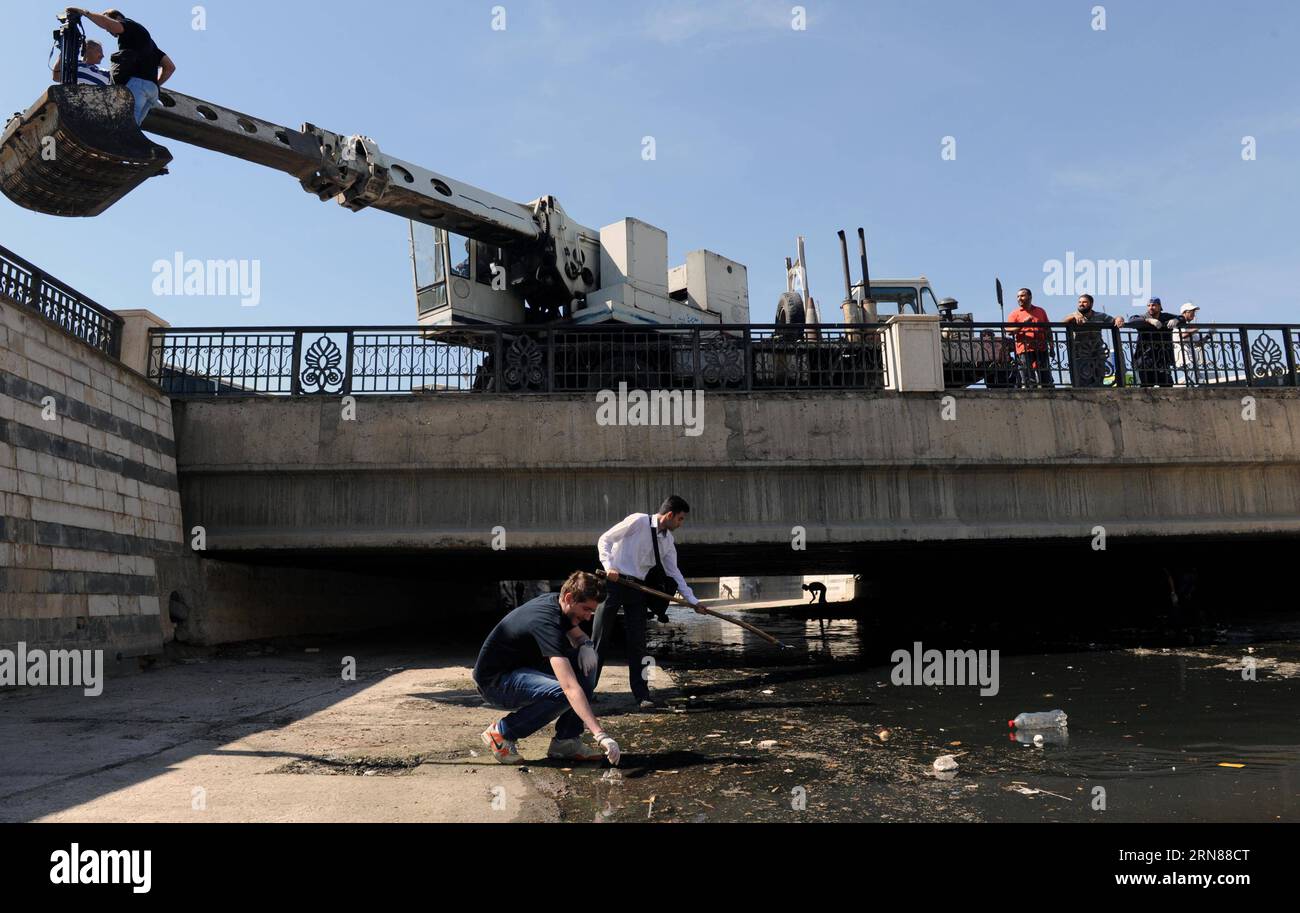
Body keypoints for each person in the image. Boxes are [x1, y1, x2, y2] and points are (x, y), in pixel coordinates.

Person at [473, 571, 621, 766]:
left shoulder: (557, 603)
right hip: (495, 682)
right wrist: (600, 735)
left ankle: (566, 742)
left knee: (586, 664)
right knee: (564, 692)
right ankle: (501, 732)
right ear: (569, 598)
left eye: (592, 611)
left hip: (522, 670)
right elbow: (569, 687)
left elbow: (578, 635)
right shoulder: (546, 621)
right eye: (586, 609)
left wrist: (586, 645)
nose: (588, 617)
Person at [595, 496, 706, 709]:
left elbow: (675, 573)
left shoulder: (667, 541)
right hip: (614, 583)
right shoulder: (638, 521)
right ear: (670, 515)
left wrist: (693, 601)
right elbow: (605, 539)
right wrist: (609, 566)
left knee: (638, 644)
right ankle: (586, 689)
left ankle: (642, 694)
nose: (681, 524)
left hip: (637, 589)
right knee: (599, 639)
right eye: (680, 519)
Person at [72, 9, 175, 125]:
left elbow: (107, 23)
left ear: (117, 18)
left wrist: (83, 12)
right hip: (152, 93)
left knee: (125, 126)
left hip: (137, 86)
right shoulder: (149, 44)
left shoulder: (128, 25)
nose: (108, 31)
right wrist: (154, 85)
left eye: (108, 28)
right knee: (134, 130)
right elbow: (170, 67)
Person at [1062, 294, 1125, 387]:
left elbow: (1113, 320)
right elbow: (1062, 322)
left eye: (1084, 302)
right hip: (1081, 354)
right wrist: (1073, 316)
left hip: (1098, 353)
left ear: (1091, 304)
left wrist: (1120, 318)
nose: (1081, 304)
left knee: (1099, 379)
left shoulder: (1100, 316)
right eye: (1079, 302)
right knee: (1084, 382)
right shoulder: (1074, 316)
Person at [1123, 297, 1182, 387]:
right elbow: (1132, 320)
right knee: (1146, 388)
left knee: (1167, 386)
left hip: (1162, 359)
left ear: (1159, 307)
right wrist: (1148, 320)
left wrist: (1177, 320)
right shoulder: (1144, 316)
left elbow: (1182, 317)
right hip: (1145, 359)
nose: (1151, 307)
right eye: (1149, 305)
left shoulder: (1165, 317)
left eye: (1153, 305)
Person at [1006, 288, 1054, 388]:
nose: (1019, 298)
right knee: (1028, 377)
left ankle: (1049, 395)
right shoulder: (1014, 313)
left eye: (1022, 296)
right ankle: (1030, 392)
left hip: (1041, 348)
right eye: (1018, 296)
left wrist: (1052, 346)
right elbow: (1009, 331)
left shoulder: (1040, 311)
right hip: (1024, 349)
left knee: (1045, 377)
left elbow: (1048, 329)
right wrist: (1023, 324)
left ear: (1030, 297)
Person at [1174, 302, 1211, 385]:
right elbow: (1182, 335)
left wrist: (1208, 335)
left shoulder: (1188, 326)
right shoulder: (1179, 324)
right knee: (1197, 383)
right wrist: (1196, 329)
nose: (1193, 314)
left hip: (1191, 360)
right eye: (1191, 311)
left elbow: (1198, 344)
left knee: (1198, 382)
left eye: (1194, 312)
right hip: (1184, 360)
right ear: (1184, 312)